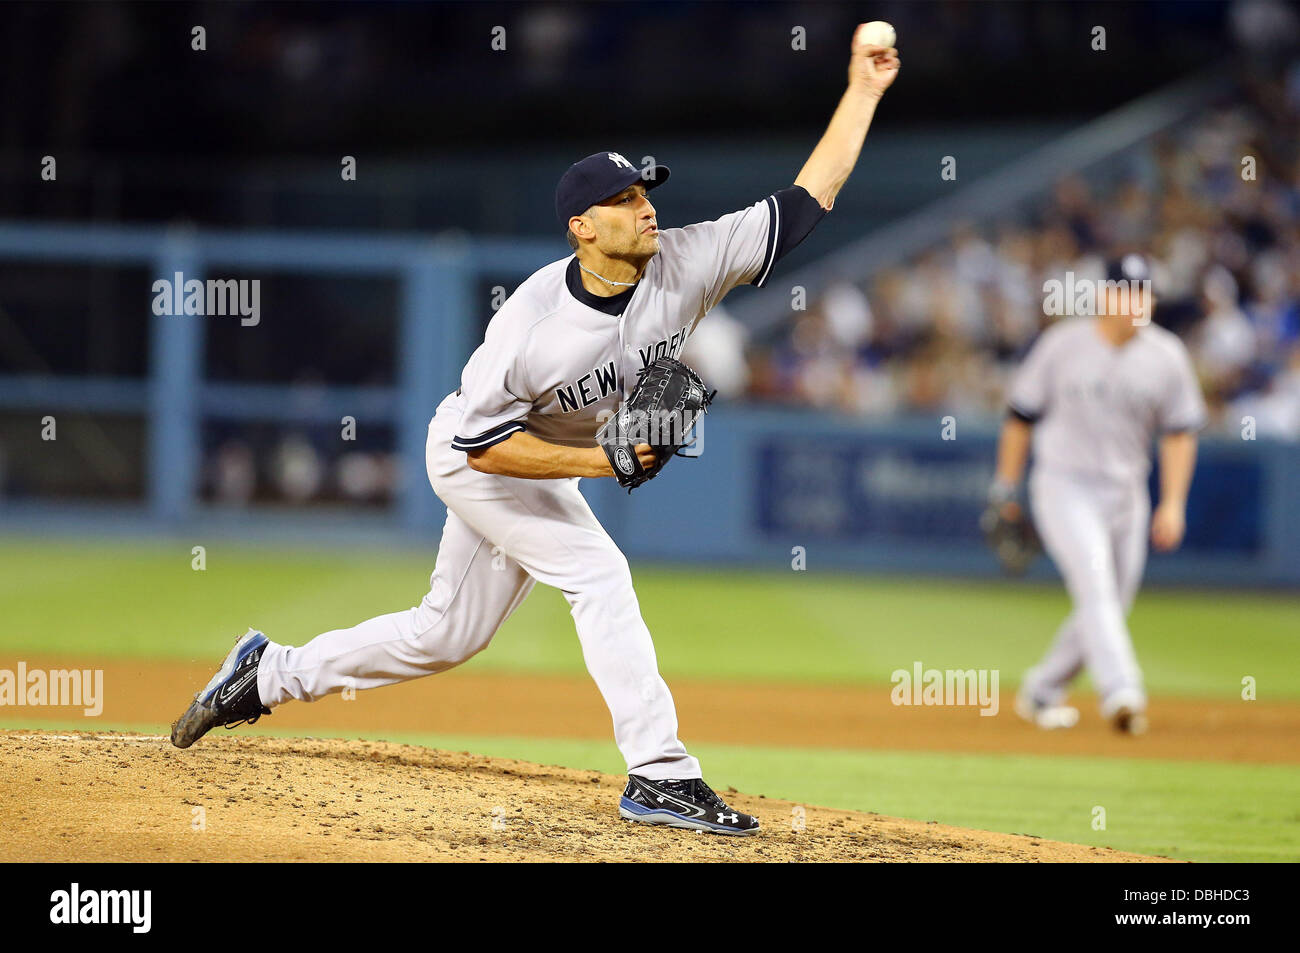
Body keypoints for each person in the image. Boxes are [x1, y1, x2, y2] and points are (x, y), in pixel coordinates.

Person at [170, 27, 901, 834]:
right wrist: (598, 458)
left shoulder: (689, 258)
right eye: (623, 201)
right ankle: (659, 770)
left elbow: (807, 201)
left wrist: (862, 91)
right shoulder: (532, 324)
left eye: (645, 191)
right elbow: (480, 446)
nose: (645, 206)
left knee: (443, 634)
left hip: (538, 455)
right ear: (581, 228)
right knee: (599, 572)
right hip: (474, 456)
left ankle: (267, 673)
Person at [992, 255, 1205, 734]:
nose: (1135, 301)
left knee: (1108, 601)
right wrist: (1004, 486)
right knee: (1095, 584)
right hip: (1063, 484)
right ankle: (1122, 690)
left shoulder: (1167, 355)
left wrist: (1173, 501)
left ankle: (1043, 689)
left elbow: (1180, 433)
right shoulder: (1062, 344)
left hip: (1127, 492)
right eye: (1125, 290)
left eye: (1143, 291)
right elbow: (1019, 416)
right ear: (1103, 296)